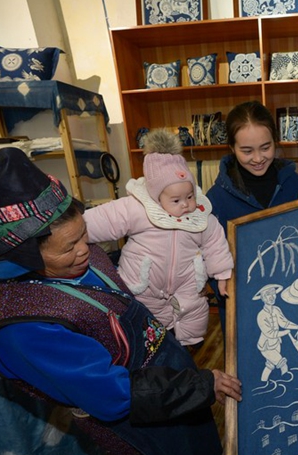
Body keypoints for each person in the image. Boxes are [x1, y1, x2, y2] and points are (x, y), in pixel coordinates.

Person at [0, 147, 242, 455]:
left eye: (84, 237)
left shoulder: (80, 257)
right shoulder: (22, 327)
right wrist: (198, 387)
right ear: (23, 255)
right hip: (142, 431)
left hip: (170, 388)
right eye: (69, 247)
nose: (84, 251)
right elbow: (113, 395)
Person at [84, 128, 233, 348]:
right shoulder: (137, 209)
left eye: (190, 196)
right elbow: (102, 220)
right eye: (176, 200)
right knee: (148, 326)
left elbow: (215, 243)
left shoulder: (200, 216)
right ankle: (158, 348)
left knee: (192, 310)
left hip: (186, 282)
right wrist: (73, 232)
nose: (185, 204)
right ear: (156, 197)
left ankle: (189, 345)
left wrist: (222, 273)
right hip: (143, 284)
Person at [206, 100, 298, 331]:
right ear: (232, 148)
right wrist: (221, 281)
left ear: (275, 140)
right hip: (242, 309)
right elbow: (207, 257)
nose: (257, 158)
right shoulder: (215, 199)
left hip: (294, 299)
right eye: (247, 151)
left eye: (265, 147)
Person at [253, 284, 298, 382]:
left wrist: (297, 327)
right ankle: (287, 383)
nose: (272, 297)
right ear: (262, 298)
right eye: (268, 294)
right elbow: (270, 333)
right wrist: (285, 332)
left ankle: (263, 382)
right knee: (283, 364)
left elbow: (284, 323)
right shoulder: (261, 315)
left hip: (276, 344)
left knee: (270, 366)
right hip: (266, 346)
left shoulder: (276, 309)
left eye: (273, 293)